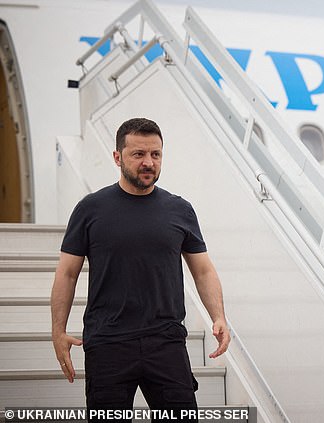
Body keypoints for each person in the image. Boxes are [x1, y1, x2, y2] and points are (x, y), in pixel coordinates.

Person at [51, 117, 230, 421]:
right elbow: (67, 273)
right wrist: (58, 331)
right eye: (138, 155)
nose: (148, 162)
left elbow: (203, 270)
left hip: (166, 341)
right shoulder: (90, 209)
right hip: (108, 343)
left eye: (156, 154)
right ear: (117, 157)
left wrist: (219, 316)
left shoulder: (180, 209)